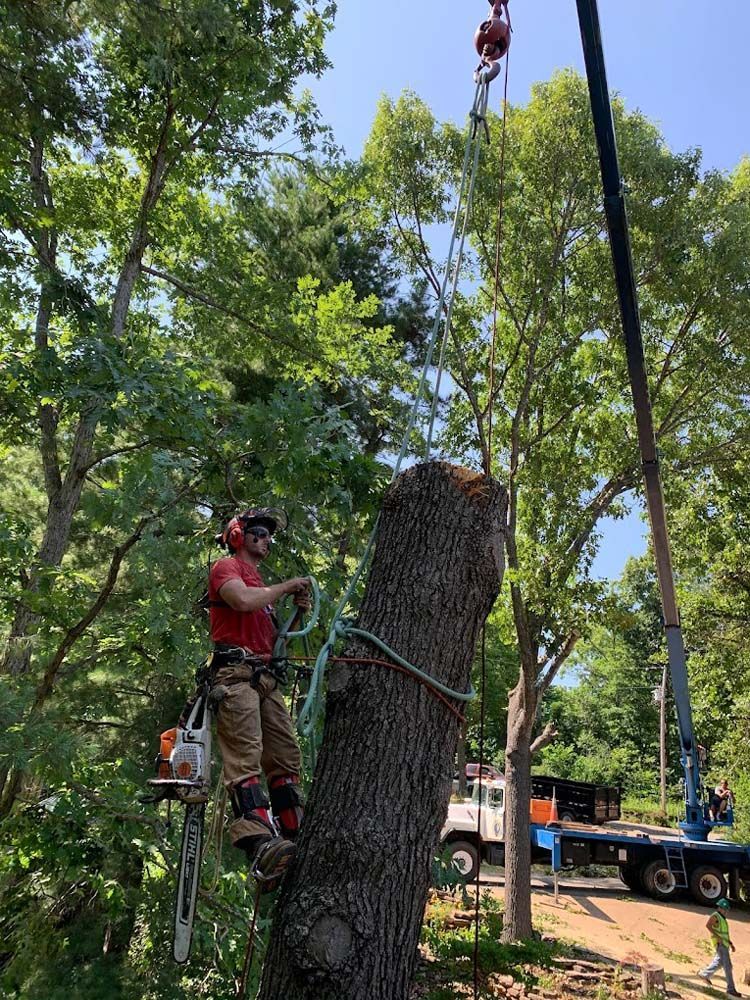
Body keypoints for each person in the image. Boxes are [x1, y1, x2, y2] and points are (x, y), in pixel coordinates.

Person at [208, 507, 310, 887]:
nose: (267, 539)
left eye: (270, 534)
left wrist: (295, 615)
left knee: (285, 753)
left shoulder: (260, 584)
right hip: (234, 675)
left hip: (264, 677)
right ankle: (258, 840)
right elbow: (240, 602)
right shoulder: (226, 569)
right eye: (261, 532)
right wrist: (285, 587)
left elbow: (274, 638)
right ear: (239, 535)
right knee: (245, 753)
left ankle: (292, 828)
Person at [698, 897, 741, 997]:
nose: (726, 912)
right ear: (721, 908)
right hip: (720, 944)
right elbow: (708, 926)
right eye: (725, 909)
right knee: (728, 966)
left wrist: (730, 943)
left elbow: (724, 933)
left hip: (724, 944)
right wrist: (718, 938)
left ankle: (704, 974)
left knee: (719, 963)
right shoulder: (716, 916)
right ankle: (731, 989)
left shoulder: (721, 918)